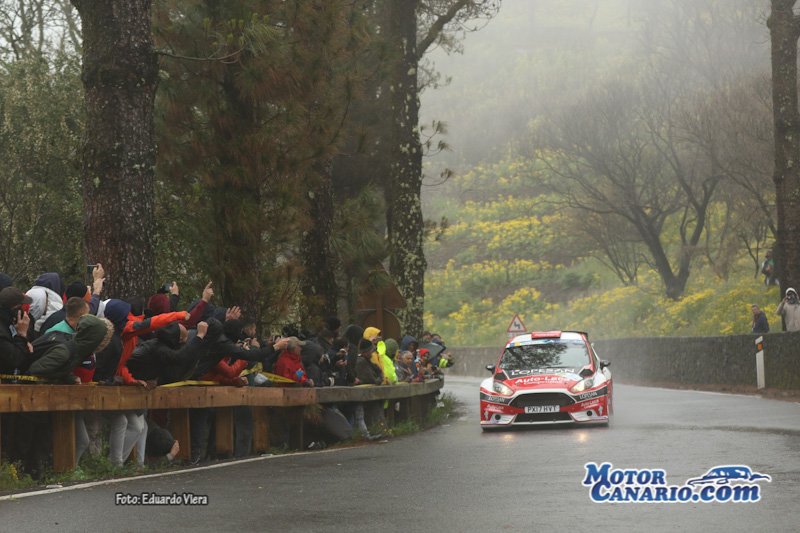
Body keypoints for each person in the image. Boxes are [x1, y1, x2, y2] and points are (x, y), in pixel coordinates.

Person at [0, 286, 33, 375]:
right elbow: (14, 359)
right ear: (15, 308)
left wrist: (24, 341)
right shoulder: (2, 330)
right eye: (21, 306)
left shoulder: (7, 322)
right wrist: (22, 335)